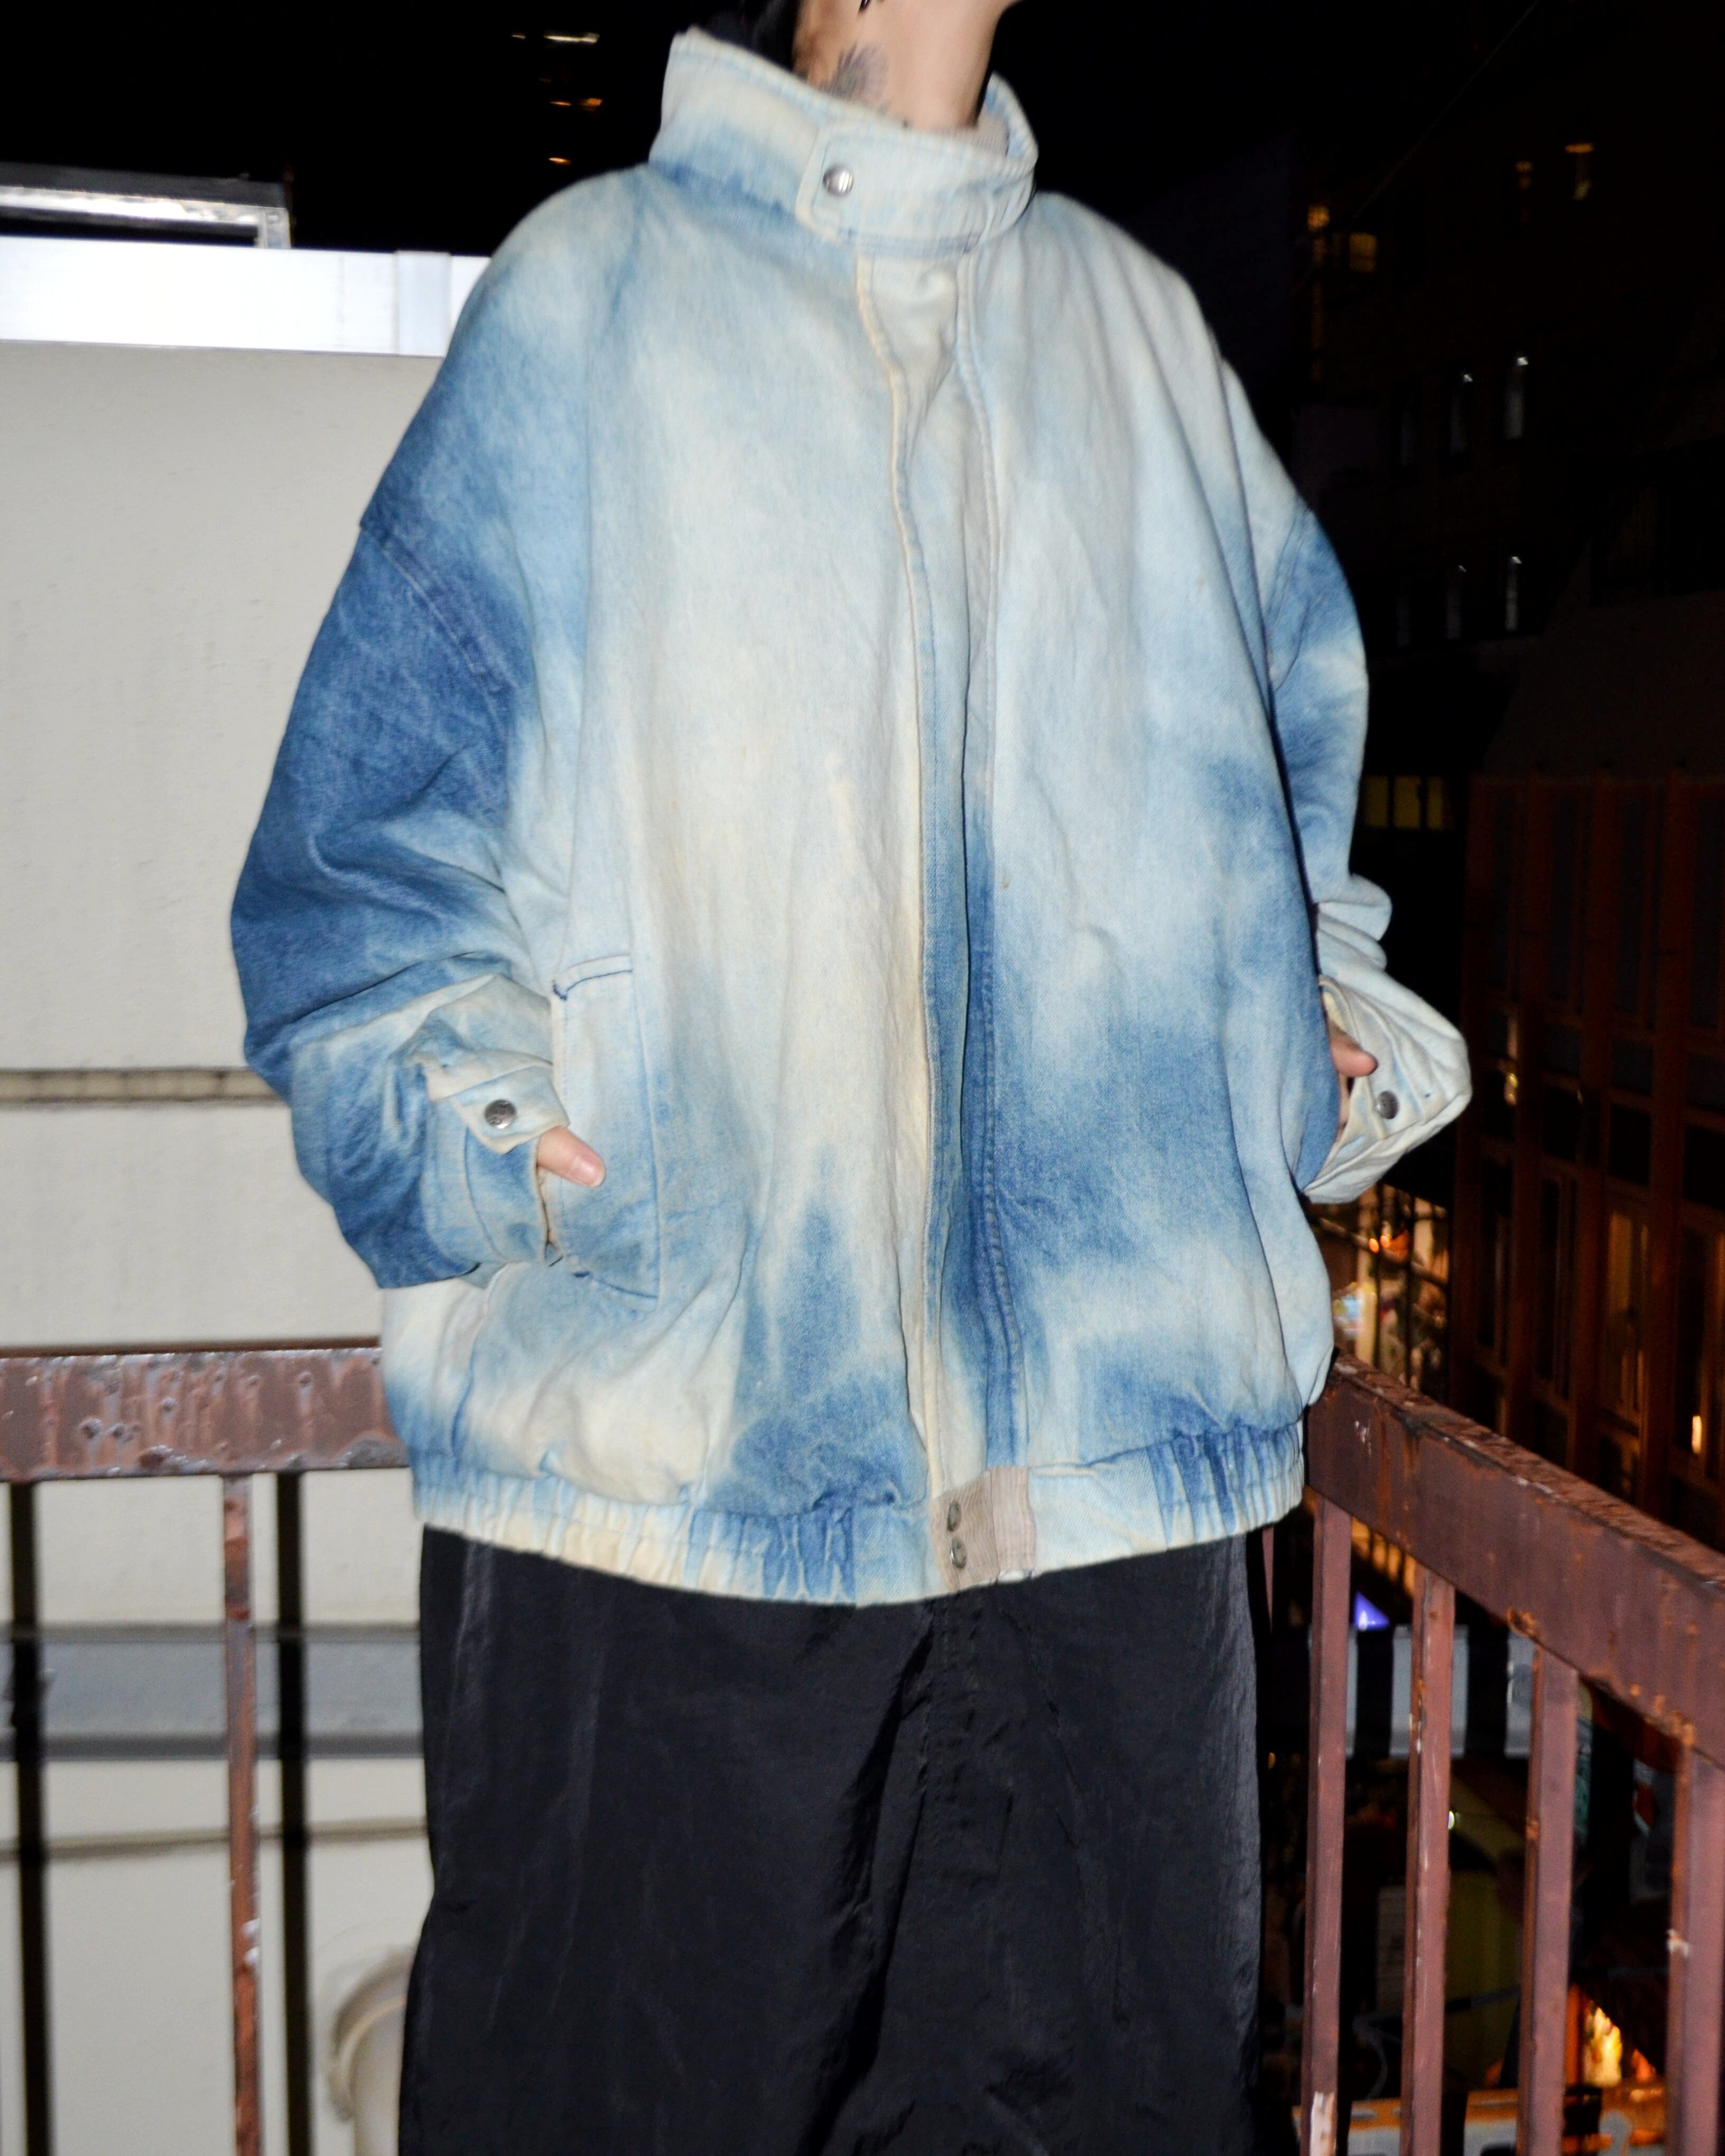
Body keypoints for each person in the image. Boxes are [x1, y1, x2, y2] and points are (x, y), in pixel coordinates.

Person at [233, 0, 1469, 2148]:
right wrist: (510, 1149)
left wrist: (1307, 1036)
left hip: (1112, 1553)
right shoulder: (597, 300)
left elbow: (1291, 815)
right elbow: (357, 875)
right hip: (676, 1527)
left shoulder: (1135, 336)